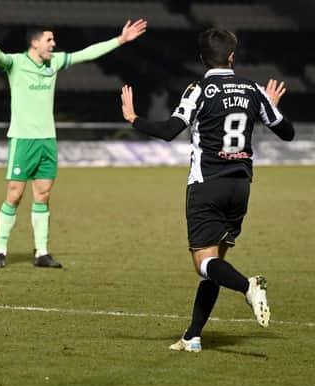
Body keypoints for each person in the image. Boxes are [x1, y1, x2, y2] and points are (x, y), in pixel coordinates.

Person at [119, 28, 295, 352]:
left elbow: (171, 130)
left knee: (203, 262)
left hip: (207, 184)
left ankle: (248, 286)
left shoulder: (199, 89)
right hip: (240, 186)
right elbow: (287, 132)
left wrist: (133, 119)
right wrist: (271, 106)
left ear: (202, 58)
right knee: (215, 266)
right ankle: (193, 336)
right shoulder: (254, 90)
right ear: (231, 56)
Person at [0, 18, 147, 269]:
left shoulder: (54, 62)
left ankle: (42, 253)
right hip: (23, 139)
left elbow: (86, 54)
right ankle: (0, 250)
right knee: (14, 195)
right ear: (35, 43)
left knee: (43, 195)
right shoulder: (16, 63)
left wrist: (120, 40)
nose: (54, 44)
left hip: (47, 139)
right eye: (49, 40)